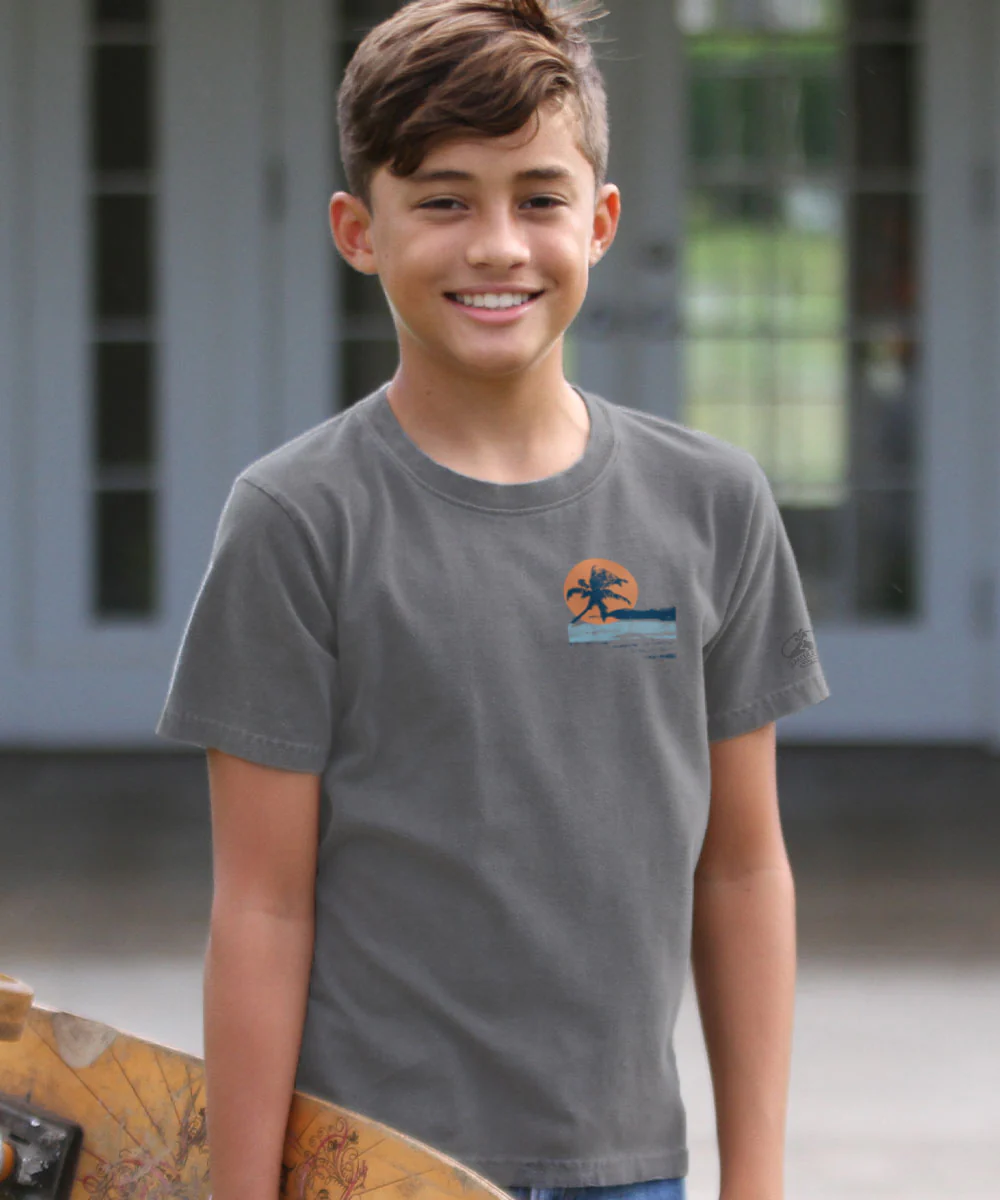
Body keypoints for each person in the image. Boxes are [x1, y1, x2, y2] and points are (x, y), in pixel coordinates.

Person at [157, 2, 829, 1199]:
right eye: (444, 200)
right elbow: (261, 907)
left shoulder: (713, 506)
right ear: (358, 232)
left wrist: (758, 1180)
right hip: (369, 1170)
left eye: (538, 198)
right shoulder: (296, 521)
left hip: (628, 1171)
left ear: (600, 221)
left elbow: (740, 871)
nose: (497, 245)